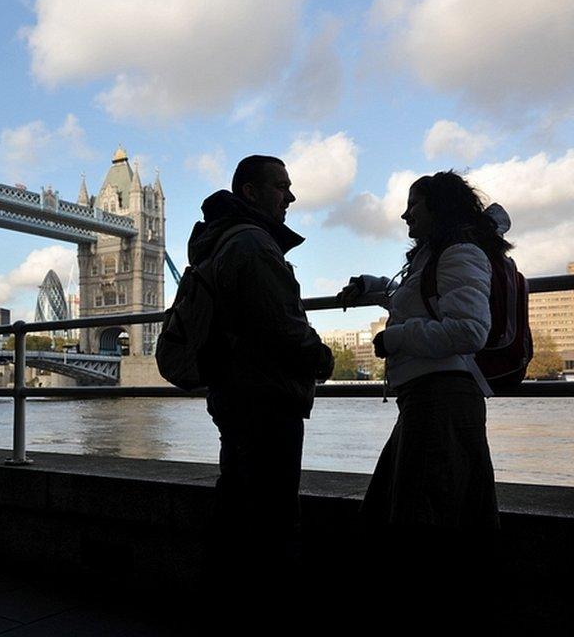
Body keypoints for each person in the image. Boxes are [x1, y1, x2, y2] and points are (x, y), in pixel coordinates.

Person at [337, 170, 505, 623]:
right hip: (428, 398)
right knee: (416, 510)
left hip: (443, 399)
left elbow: (469, 330)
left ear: (437, 208)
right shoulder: (435, 255)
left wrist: (394, 341)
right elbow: (413, 300)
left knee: (425, 520)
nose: (404, 213)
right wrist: (372, 287)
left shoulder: (461, 252)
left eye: (414, 204)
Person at [191, 155, 334, 601]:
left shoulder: (220, 241)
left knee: (234, 504)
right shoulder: (252, 244)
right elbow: (279, 323)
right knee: (273, 518)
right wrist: (321, 357)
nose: (290, 196)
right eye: (281, 186)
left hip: (234, 393)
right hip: (266, 395)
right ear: (250, 192)